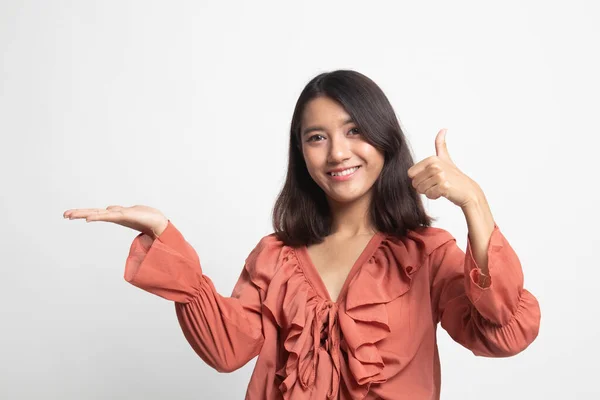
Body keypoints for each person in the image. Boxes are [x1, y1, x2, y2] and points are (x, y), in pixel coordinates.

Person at [63, 70, 541, 399]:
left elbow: (505, 333)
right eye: (317, 137)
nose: (337, 153)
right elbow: (228, 351)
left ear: (384, 138)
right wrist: (167, 240)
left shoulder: (426, 255)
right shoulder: (275, 257)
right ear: (301, 153)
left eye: (354, 131)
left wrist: (474, 202)